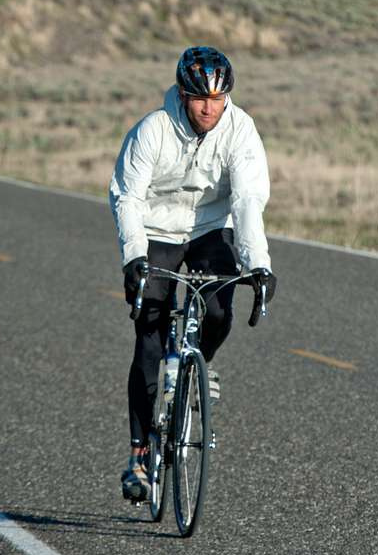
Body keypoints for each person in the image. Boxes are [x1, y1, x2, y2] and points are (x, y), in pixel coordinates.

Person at [109, 46, 277, 501]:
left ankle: (197, 370)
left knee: (220, 310)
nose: (210, 108)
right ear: (183, 95)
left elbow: (246, 201)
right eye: (201, 99)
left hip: (210, 228)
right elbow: (128, 197)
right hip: (156, 229)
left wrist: (258, 264)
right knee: (149, 332)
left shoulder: (240, 131)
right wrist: (134, 259)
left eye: (219, 99)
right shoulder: (152, 130)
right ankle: (140, 456)